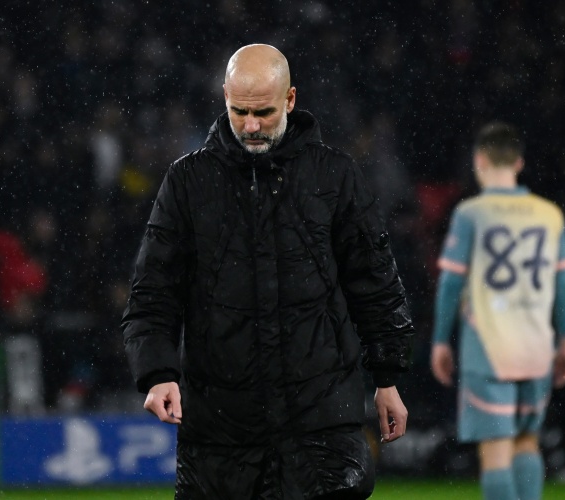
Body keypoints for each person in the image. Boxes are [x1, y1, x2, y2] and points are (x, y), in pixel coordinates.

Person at [121, 44, 414, 499]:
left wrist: (387, 377)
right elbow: (153, 291)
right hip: (220, 427)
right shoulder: (187, 182)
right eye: (239, 111)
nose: (251, 125)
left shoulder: (334, 176)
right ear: (224, 96)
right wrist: (158, 373)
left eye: (263, 112)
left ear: (290, 100)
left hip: (320, 420)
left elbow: (375, 283)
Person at [430, 122, 565, 500]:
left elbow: (450, 284)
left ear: (479, 160)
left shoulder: (471, 214)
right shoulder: (549, 214)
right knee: (527, 441)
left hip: (488, 348)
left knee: (496, 451)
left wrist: (440, 340)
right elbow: (563, 286)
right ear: (519, 163)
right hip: (535, 347)